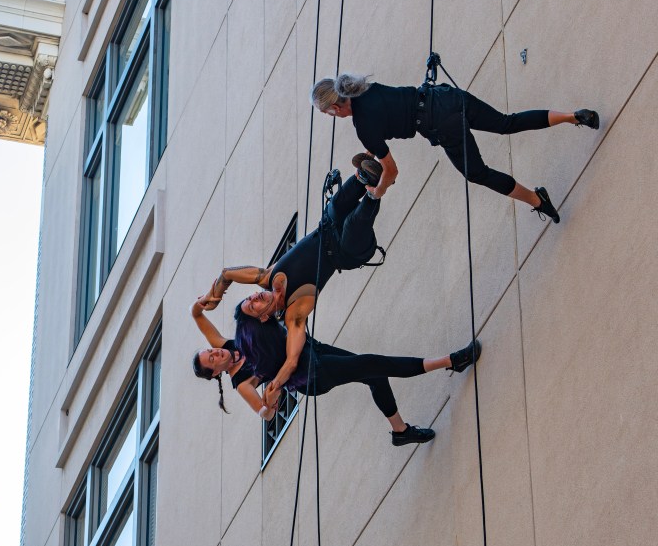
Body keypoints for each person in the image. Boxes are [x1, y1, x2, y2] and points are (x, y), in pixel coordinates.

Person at [311, 73, 600, 223]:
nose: (332, 118)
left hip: (442, 124)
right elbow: (385, 114)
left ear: (335, 108)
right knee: (506, 122)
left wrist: (378, 191)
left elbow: (392, 170)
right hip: (445, 97)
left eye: (329, 114)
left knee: (478, 174)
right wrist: (370, 156)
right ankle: (574, 116)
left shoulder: (363, 128)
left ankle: (538, 201)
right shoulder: (365, 89)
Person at [200, 157, 385, 392]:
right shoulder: (295, 312)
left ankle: (365, 178)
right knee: (353, 225)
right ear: (263, 319)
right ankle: (373, 195)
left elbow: (228, 274)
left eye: (249, 298)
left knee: (337, 206)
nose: (254, 297)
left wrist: (212, 298)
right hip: (347, 251)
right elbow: (291, 360)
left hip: (327, 226)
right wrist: (276, 384)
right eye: (253, 306)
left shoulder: (268, 277)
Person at [191, 298, 483, 446]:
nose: (216, 353)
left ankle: (400, 432)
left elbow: (199, 318)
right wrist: (270, 401)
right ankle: (449, 361)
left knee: (374, 374)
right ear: (217, 373)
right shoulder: (241, 382)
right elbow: (263, 413)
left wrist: (197, 307)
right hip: (310, 374)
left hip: (310, 350)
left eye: (211, 351)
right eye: (213, 359)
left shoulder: (228, 343)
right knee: (373, 363)